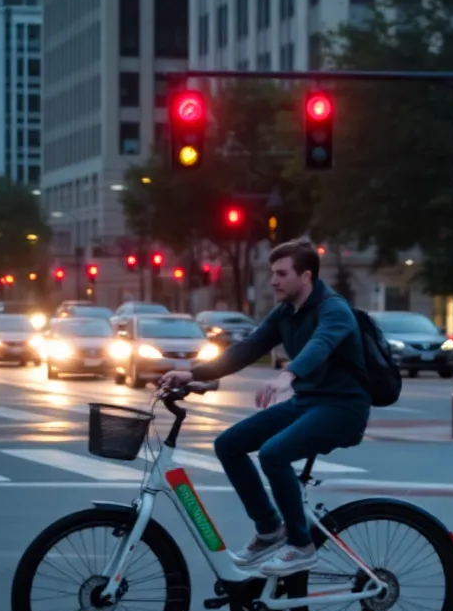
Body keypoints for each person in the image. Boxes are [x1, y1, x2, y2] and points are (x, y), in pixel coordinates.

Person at [156, 238, 371, 576]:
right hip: (307, 403)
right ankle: (270, 529)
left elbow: (322, 344)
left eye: (282, 274)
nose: (273, 280)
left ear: (306, 276)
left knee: (273, 454)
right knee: (229, 444)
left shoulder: (334, 309)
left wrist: (289, 375)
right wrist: (192, 373)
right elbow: (247, 348)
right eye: (273, 273)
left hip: (342, 409)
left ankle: (301, 546)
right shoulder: (286, 312)